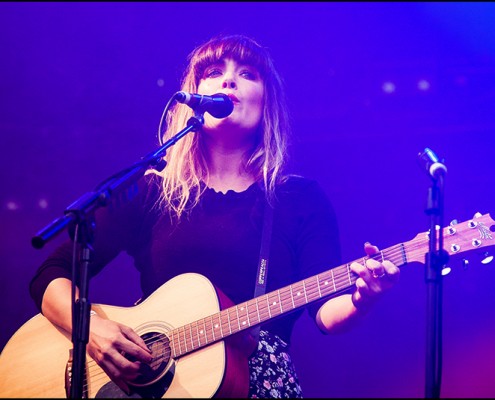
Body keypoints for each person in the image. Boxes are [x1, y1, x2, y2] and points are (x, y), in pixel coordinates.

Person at [29, 33, 400, 398]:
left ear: (265, 102)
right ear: (194, 98)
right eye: (213, 71)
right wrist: (91, 330)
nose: (228, 80)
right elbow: (51, 274)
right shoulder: (152, 190)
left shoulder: (298, 199)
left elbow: (325, 313)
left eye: (247, 73)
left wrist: (361, 299)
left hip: (256, 384)